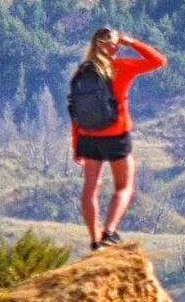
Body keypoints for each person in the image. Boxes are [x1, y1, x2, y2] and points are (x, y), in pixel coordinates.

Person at [67, 27, 165, 249]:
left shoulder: (80, 73)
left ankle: (94, 240)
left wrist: (76, 145)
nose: (118, 46)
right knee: (124, 187)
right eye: (116, 43)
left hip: (88, 137)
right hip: (116, 136)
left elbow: (75, 111)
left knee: (90, 188)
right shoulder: (120, 67)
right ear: (111, 46)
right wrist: (131, 42)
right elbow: (158, 60)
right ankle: (109, 232)